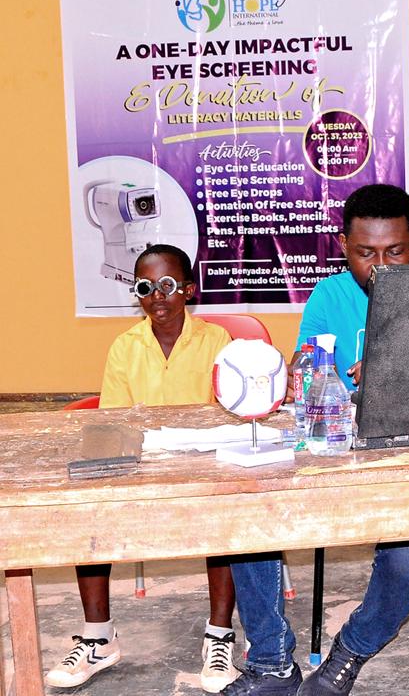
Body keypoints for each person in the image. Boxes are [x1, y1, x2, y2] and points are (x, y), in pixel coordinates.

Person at [222, 184, 409, 696]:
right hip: (337, 455)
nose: (380, 266)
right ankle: (271, 662)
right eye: (365, 253)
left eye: (395, 251)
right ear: (344, 246)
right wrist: (309, 375)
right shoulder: (329, 295)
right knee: (246, 512)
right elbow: (306, 368)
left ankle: (350, 652)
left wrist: (400, 372)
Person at [44, 244, 241, 693]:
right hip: (142, 464)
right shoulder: (125, 346)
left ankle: (219, 636)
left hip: (202, 465)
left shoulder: (217, 341)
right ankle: (99, 638)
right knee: (89, 508)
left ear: (188, 290)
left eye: (168, 285)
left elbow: (228, 412)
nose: (157, 296)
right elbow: (115, 422)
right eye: (145, 287)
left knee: (229, 507)